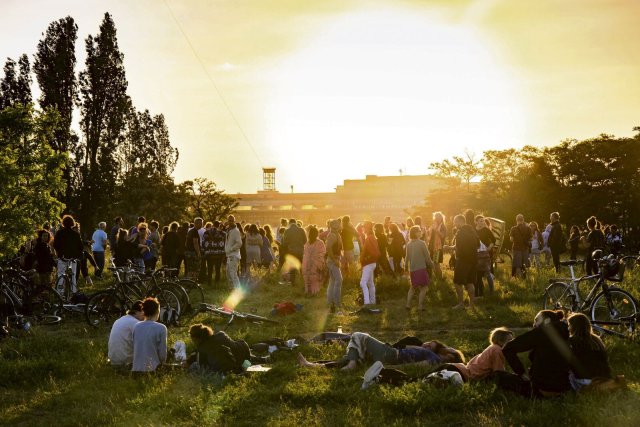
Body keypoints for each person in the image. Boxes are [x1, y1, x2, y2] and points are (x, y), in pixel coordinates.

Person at [499, 310, 571, 398]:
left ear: (547, 320)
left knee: (499, 376)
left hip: (542, 389)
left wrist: (521, 373)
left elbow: (508, 348)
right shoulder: (567, 333)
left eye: (536, 321)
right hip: (563, 388)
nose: (534, 324)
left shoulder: (541, 333)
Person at [297, 332, 464, 370]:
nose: (446, 349)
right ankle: (311, 365)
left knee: (358, 335)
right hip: (388, 354)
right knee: (349, 357)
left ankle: (353, 363)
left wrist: (387, 369)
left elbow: (414, 366)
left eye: (449, 351)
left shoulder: (434, 359)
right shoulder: (428, 353)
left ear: (450, 357)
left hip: (390, 355)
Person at [188, 324, 268, 373]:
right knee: (239, 348)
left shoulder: (202, 349)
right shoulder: (221, 335)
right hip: (243, 358)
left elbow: (203, 367)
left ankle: (257, 360)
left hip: (229, 369)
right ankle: (260, 359)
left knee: (194, 367)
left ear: (196, 338)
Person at [448, 327, 513, 382]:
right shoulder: (497, 350)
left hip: (459, 369)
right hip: (463, 374)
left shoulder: (492, 347)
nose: (512, 343)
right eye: (509, 341)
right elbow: (499, 373)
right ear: (500, 341)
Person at [566, 312, 612, 391]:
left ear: (574, 327)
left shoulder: (572, 341)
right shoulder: (597, 340)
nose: (568, 328)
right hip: (604, 378)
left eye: (569, 325)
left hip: (585, 380)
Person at [444, 214, 479, 309]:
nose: (454, 224)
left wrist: (448, 247)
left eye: (455, 222)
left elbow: (457, 247)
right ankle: (471, 305)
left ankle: (461, 304)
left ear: (460, 221)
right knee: (470, 282)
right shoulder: (473, 231)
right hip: (474, 260)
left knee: (457, 282)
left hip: (463, 260)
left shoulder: (460, 232)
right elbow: (478, 245)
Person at [132, 297, 168, 373]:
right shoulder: (161, 328)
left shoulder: (136, 326)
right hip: (153, 371)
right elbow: (162, 356)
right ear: (157, 311)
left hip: (136, 371)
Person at [404, 225, 434, 311]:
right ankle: (420, 306)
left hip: (412, 270)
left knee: (412, 287)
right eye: (419, 231)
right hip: (421, 268)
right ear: (415, 233)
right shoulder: (422, 243)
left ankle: (408, 305)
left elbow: (407, 258)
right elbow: (427, 257)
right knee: (424, 287)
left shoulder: (408, 244)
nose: (421, 232)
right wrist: (432, 265)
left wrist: (406, 268)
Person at [108, 300, 144, 370]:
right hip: (127, 363)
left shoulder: (119, 320)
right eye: (144, 313)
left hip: (113, 362)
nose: (145, 317)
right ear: (137, 312)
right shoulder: (136, 323)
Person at [53, 215, 84, 294]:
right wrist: (77, 256)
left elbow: (55, 245)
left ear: (63, 223)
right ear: (72, 223)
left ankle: (60, 293)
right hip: (73, 258)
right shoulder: (76, 234)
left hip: (62, 257)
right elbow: (80, 247)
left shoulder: (59, 233)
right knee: (73, 275)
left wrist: (59, 253)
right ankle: (73, 291)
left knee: (60, 275)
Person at [359, 221, 380, 305]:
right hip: (372, 263)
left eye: (364, 227)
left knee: (362, 283)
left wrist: (363, 260)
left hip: (368, 263)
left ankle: (367, 303)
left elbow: (368, 252)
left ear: (367, 228)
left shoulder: (369, 238)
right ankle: (372, 301)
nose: (363, 228)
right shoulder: (372, 237)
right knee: (370, 283)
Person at [325, 219, 344, 314]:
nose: (342, 225)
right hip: (333, 261)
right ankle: (337, 303)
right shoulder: (332, 235)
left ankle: (330, 302)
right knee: (339, 280)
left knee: (332, 281)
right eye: (340, 224)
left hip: (334, 260)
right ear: (336, 226)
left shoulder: (336, 234)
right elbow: (328, 248)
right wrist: (335, 260)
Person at [302, 225, 326, 296]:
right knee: (315, 278)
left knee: (307, 278)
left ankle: (307, 293)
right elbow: (323, 253)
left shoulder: (307, 243)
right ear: (317, 234)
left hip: (306, 264)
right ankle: (314, 293)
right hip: (316, 264)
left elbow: (305, 254)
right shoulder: (320, 242)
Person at [281, 218, 307, 284]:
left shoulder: (287, 231)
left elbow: (285, 243)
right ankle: (303, 281)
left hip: (292, 251)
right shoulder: (301, 230)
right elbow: (305, 241)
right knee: (301, 266)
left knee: (292, 268)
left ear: (289, 223)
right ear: (295, 223)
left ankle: (293, 282)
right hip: (301, 251)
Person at [475, 215, 495, 296]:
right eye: (480, 221)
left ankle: (491, 291)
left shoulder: (486, 230)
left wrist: (489, 248)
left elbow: (494, 240)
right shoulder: (473, 230)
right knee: (478, 273)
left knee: (487, 272)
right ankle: (480, 293)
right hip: (476, 254)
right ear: (476, 222)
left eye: (483, 221)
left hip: (486, 253)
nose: (482, 222)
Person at [202, 220, 226, 285]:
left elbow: (203, 243)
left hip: (209, 254)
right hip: (219, 254)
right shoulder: (222, 233)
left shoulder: (206, 232)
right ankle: (217, 283)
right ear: (219, 225)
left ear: (212, 225)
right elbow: (224, 244)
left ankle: (209, 282)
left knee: (210, 269)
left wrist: (205, 251)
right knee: (217, 269)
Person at [509, 214, 532, 278]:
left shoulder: (513, 228)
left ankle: (515, 277)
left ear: (516, 220)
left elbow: (511, 239)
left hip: (516, 248)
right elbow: (531, 238)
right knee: (524, 264)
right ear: (523, 220)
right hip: (525, 248)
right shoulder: (528, 228)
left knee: (516, 263)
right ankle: (524, 277)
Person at [224, 215, 243, 289]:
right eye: (229, 220)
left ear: (234, 221)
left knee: (233, 274)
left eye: (232, 220)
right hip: (229, 255)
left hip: (234, 255)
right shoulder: (229, 230)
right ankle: (232, 288)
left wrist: (231, 249)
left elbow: (239, 243)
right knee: (228, 274)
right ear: (227, 221)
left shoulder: (236, 231)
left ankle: (238, 290)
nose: (230, 222)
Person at [427, 212, 446, 280]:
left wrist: (436, 230)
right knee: (432, 263)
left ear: (441, 218)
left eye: (438, 217)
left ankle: (440, 279)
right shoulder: (434, 225)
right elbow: (430, 236)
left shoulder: (442, 226)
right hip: (432, 247)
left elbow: (442, 236)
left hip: (438, 248)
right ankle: (436, 278)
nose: (436, 218)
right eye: (435, 217)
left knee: (436, 264)